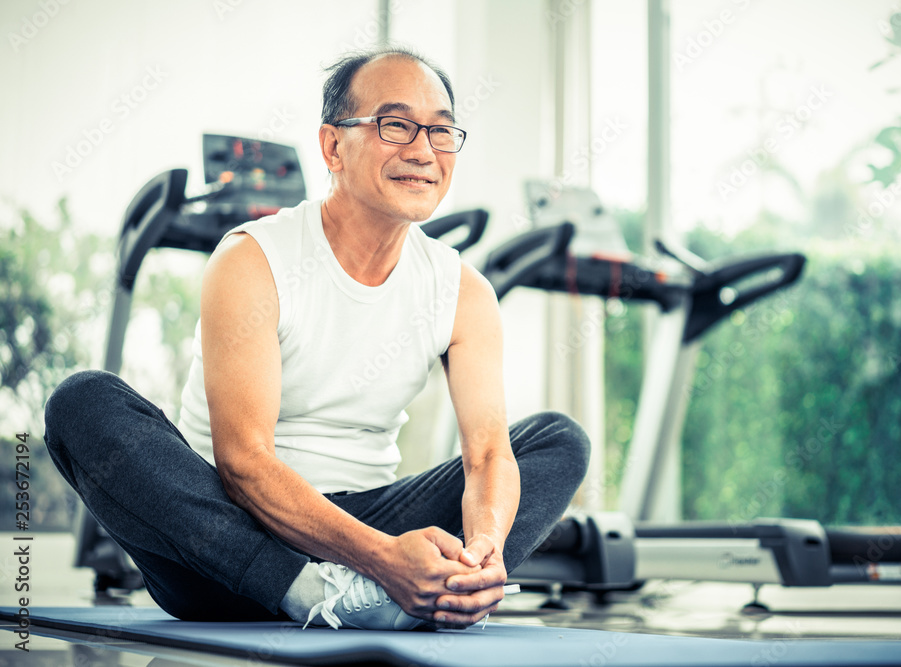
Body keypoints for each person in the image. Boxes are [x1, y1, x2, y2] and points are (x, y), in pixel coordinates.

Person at [43, 44, 590, 631]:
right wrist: (383, 562)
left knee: (558, 440)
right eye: (396, 125)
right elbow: (244, 464)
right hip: (223, 540)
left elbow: (487, 455)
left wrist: (483, 554)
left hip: (369, 516)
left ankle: (424, 593)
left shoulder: (464, 291)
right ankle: (312, 590)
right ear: (333, 145)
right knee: (82, 403)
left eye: (441, 131)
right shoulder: (253, 259)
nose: (424, 151)